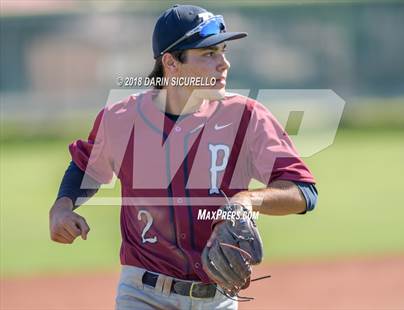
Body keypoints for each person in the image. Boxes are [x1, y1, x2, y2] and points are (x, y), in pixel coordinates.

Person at [49, 4, 318, 310]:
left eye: (223, 51)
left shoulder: (246, 117)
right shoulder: (122, 119)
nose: (224, 63)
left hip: (217, 298)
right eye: (208, 54)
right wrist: (61, 208)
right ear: (170, 62)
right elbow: (86, 168)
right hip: (143, 294)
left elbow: (303, 190)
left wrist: (247, 199)